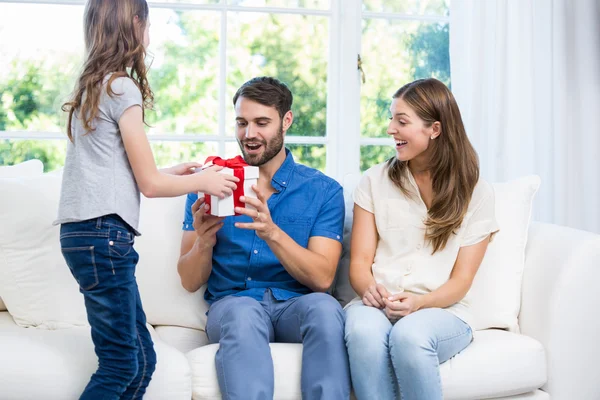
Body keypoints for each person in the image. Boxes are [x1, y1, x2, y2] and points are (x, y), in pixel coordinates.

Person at [55, 1, 238, 398]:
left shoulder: (95, 85)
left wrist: (178, 173)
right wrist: (204, 181)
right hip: (103, 237)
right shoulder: (122, 87)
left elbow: (124, 176)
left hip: (85, 235)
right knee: (122, 363)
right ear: (136, 24)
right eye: (147, 23)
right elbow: (150, 186)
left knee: (142, 361)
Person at [178, 76, 351, 400]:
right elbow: (189, 280)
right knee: (244, 314)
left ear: (286, 121)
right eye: (242, 123)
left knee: (325, 309)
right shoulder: (211, 183)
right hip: (234, 304)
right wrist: (203, 242)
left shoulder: (323, 190)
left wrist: (271, 231)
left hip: (296, 304)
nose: (249, 134)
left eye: (261, 122)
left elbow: (323, 278)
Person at [344, 78, 499, 400]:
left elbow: (462, 279)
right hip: (377, 303)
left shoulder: (476, 191)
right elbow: (359, 262)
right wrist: (369, 290)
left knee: (409, 337)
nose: (390, 129)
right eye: (391, 119)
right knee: (363, 333)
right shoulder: (374, 180)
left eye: (401, 121)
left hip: (443, 309)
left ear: (435, 129)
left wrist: (420, 303)